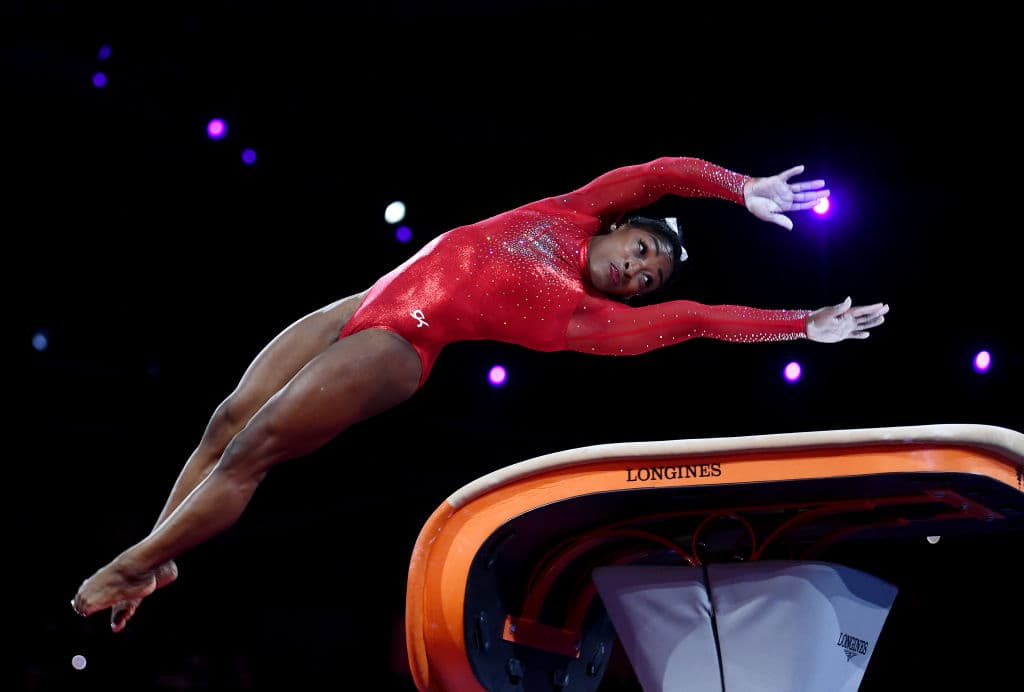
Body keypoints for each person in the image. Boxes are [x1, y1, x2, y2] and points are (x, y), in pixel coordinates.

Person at [71, 155, 889, 631]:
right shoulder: (573, 212)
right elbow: (654, 174)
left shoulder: (584, 317)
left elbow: (701, 321)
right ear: (620, 227)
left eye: (647, 280)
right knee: (225, 421)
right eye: (643, 252)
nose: (637, 273)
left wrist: (799, 325)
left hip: (403, 343)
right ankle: (160, 555)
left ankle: (127, 567)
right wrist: (739, 188)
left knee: (255, 450)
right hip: (363, 301)